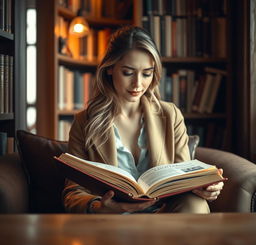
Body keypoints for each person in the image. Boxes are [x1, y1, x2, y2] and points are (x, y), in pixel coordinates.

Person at [62, 26, 224, 214]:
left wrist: (204, 188)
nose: (138, 84)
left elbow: (183, 179)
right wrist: (100, 207)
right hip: (112, 219)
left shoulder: (170, 115)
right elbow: (73, 193)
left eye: (146, 73)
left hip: (163, 216)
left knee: (195, 205)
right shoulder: (85, 121)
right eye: (128, 73)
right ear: (110, 69)